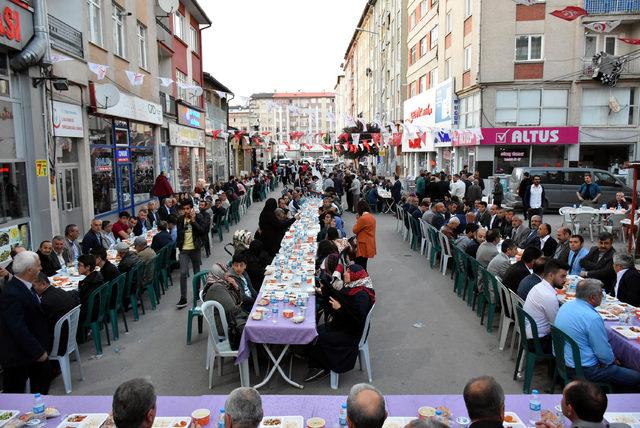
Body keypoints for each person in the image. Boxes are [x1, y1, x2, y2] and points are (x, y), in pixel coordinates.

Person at [554, 279, 640, 391]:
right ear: (592, 298)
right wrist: (613, 360)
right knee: (636, 377)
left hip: (563, 360)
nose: (602, 296)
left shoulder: (566, 306)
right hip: (584, 369)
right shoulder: (592, 318)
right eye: (601, 293)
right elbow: (604, 356)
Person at [306, 264, 375, 381]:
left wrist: (340, 309)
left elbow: (357, 319)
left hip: (353, 334)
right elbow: (342, 299)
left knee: (319, 335)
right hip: (346, 326)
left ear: (355, 275)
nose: (344, 273)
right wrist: (325, 291)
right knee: (315, 330)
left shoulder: (362, 295)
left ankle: (323, 367)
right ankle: (313, 358)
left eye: (348, 272)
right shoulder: (353, 288)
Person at [0, 251, 51, 393]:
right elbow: (17, 328)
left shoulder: (26, 287)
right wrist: (38, 351)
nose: (40, 268)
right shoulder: (12, 293)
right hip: (20, 356)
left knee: (41, 387)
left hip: (33, 350)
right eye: (38, 265)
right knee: (15, 393)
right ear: (30, 270)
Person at [522, 259, 569, 353]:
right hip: (537, 342)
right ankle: (561, 367)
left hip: (529, 333)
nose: (565, 280)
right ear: (551, 275)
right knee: (576, 344)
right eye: (562, 276)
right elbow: (556, 326)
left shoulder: (538, 286)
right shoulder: (549, 296)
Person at [32, 272, 80, 355]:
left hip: (59, 343)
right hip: (71, 335)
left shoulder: (45, 302)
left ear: (43, 284)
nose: (32, 289)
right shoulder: (60, 291)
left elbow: (44, 326)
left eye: (33, 286)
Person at [176, 200, 206, 309]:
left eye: (188, 208)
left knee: (196, 272)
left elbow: (202, 231)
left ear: (192, 208)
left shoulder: (198, 217)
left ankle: (197, 293)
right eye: (184, 209)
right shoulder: (180, 220)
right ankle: (183, 297)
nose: (186, 211)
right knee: (183, 272)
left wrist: (193, 221)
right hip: (184, 249)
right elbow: (179, 234)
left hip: (195, 248)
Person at [77, 254, 104, 325]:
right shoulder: (97, 276)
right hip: (98, 309)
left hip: (89, 313)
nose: (78, 267)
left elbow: (81, 300)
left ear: (88, 267)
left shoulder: (88, 283)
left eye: (79, 265)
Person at [352, 200, 376, 270]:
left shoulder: (362, 218)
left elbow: (354, 230)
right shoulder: (372, 217)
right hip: (369, 243)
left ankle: (364, 278)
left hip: (363, 244)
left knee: (360, 265)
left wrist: (357, 219)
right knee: (364, 263)